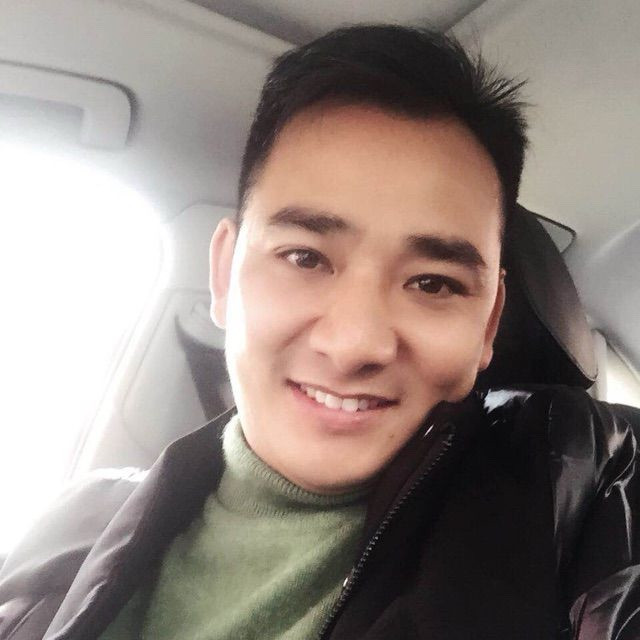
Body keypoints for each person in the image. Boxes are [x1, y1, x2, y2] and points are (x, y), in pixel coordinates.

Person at [1, 24, 639, 640]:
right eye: (305, 257)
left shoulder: (597, 499)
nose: (354, 344)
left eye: (433, 283)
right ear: (223, 275)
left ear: (489, 322)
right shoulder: (71, 526)